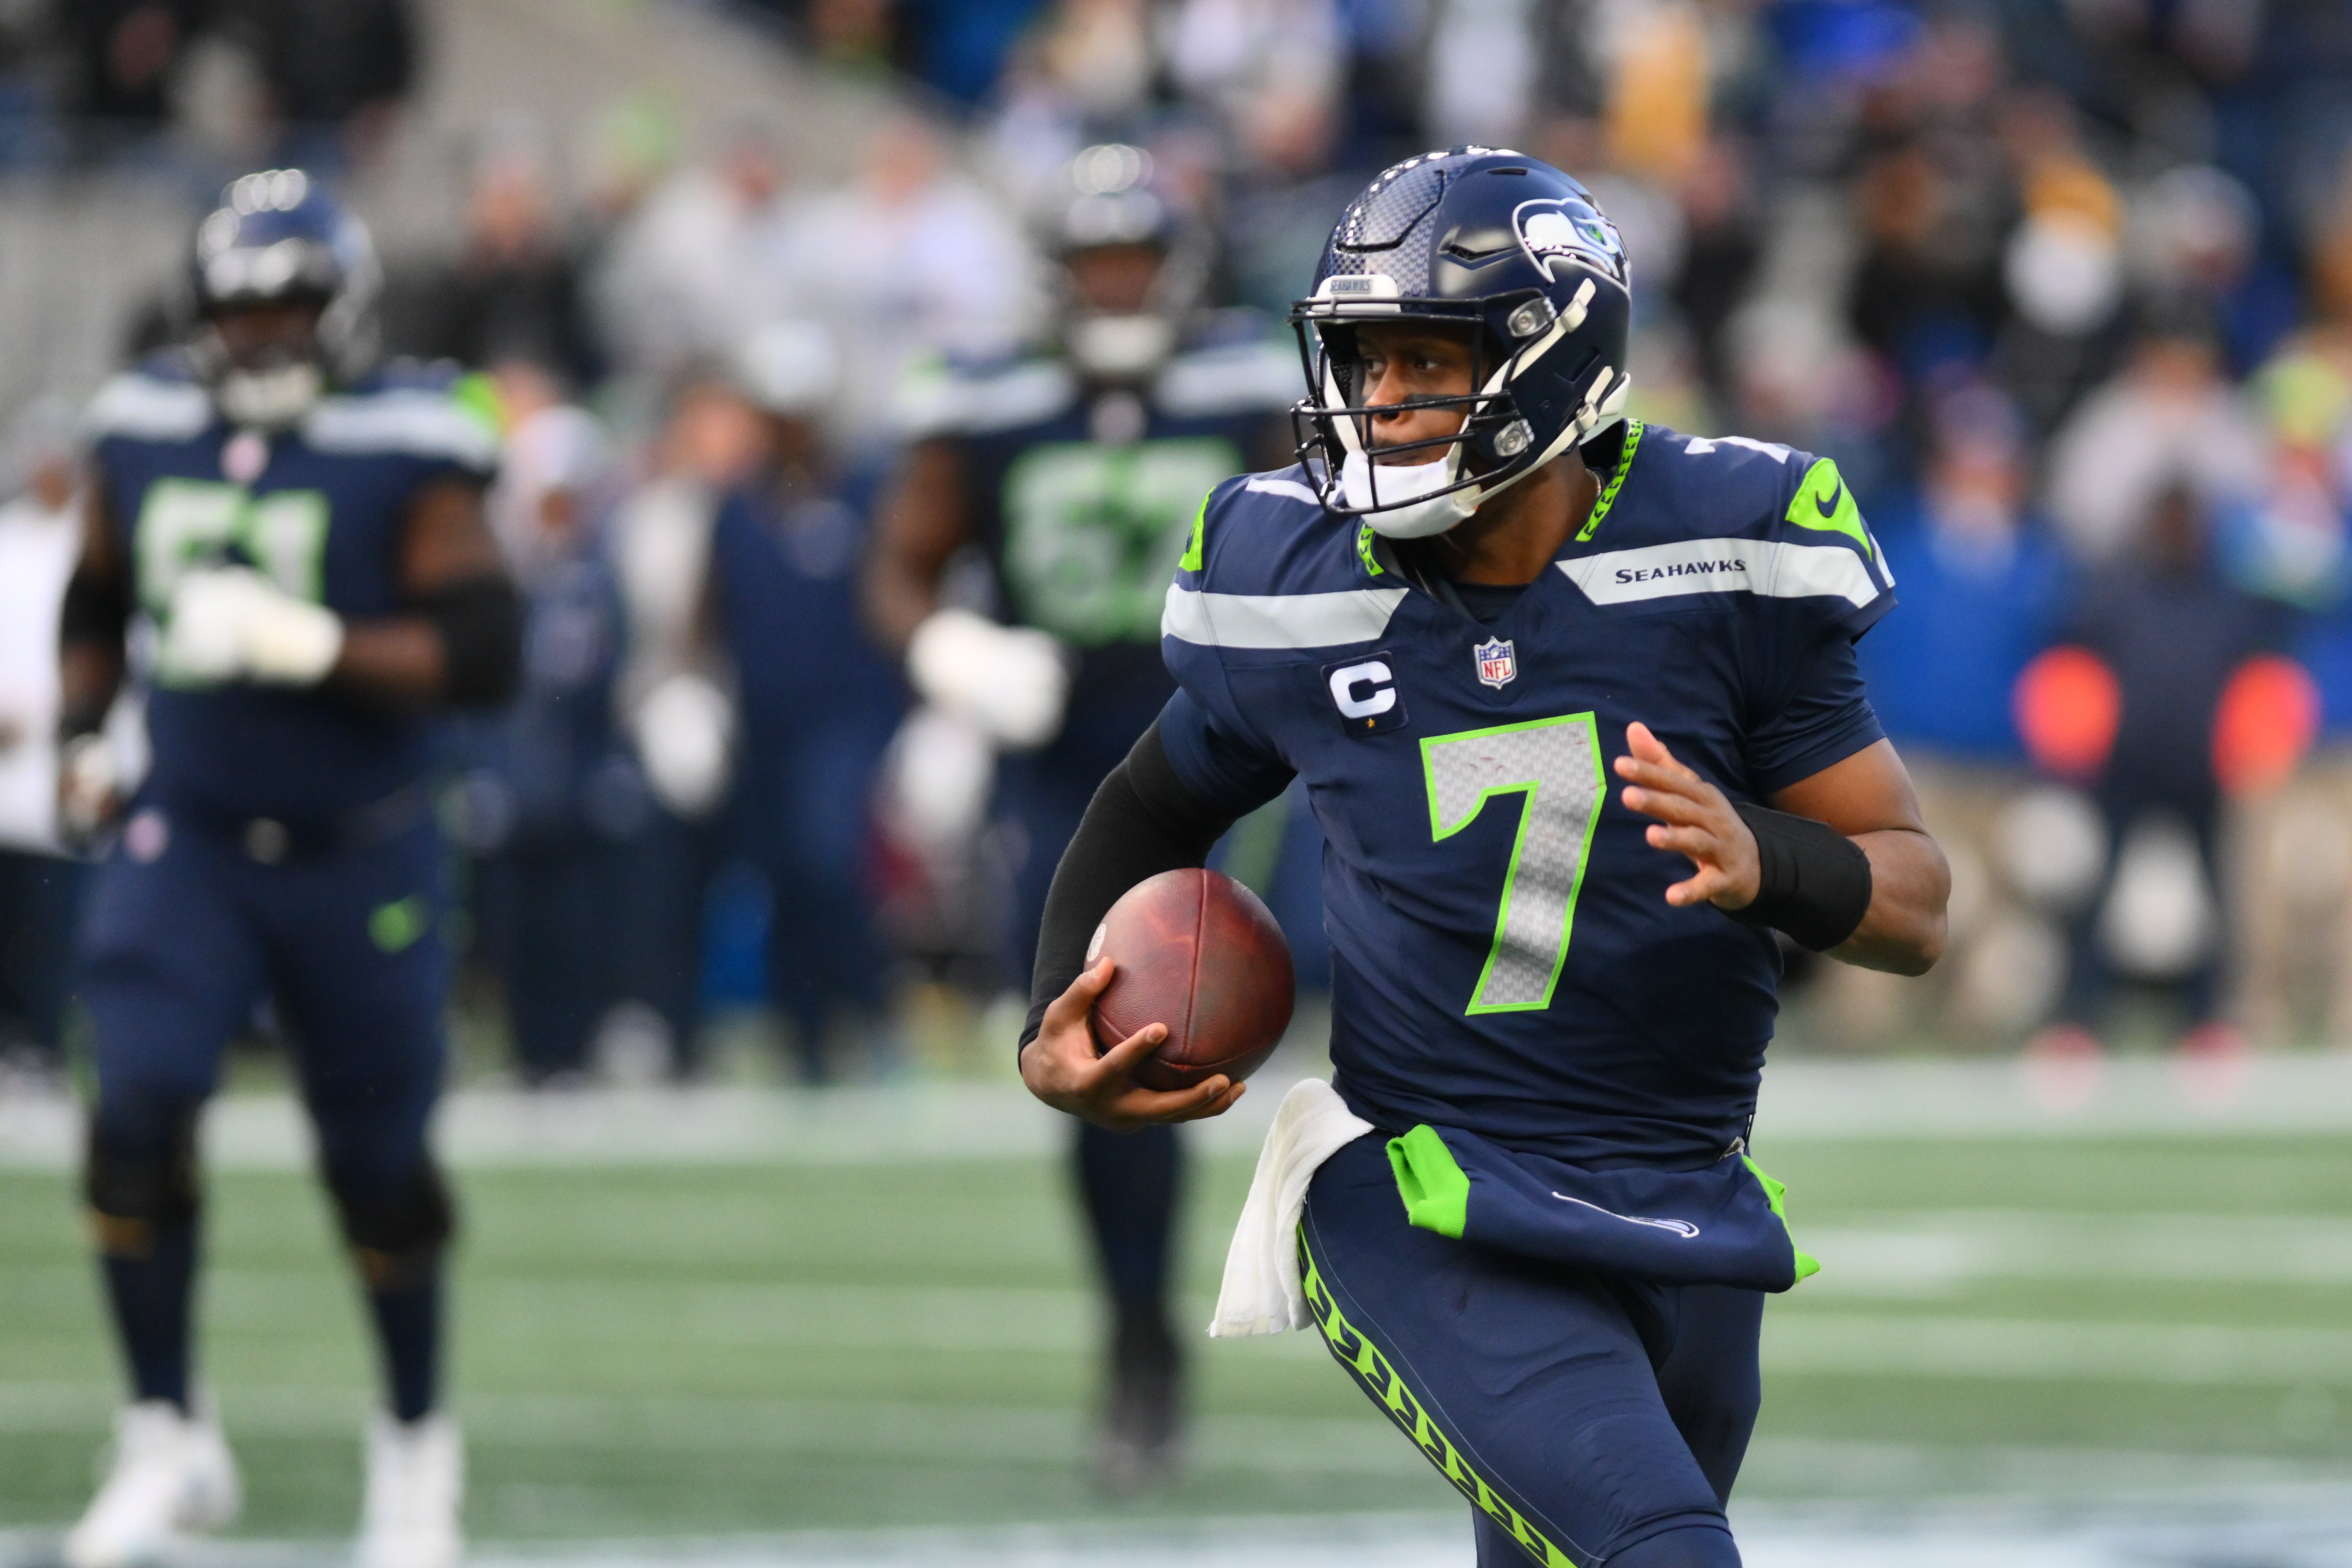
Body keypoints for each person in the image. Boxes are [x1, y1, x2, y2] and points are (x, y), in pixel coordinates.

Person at [1016, 148, 1949, 1566]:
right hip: (1425, 1189)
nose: (1376, 401)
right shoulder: (1296, 575)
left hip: (1684, 1190)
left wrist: (1772, 858)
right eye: (1359, 360)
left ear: (1556, 360)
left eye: (1421, 361)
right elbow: (1152, 805)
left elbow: (1915, 898)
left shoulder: (1726, 549)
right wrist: (1050, 1015)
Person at [57, 169, 519, 1568]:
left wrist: (313, 644)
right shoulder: (140, 421)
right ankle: (163, 1429)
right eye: (242, 307)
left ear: (347, 311)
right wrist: (84, 729)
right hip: (187, 832)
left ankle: (414, 1446)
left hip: (359, 852)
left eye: (292, 305)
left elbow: (485, 653)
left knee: (378, 1169)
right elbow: (96, 595)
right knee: (133, 1099)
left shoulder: (411, 436)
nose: (264, 333)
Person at [865, 142, 1294, 1486]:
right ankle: (1139, 1331)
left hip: (1238, 746)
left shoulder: (1243, 386)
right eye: (1093, 265)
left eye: (1135, 262)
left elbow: (1339, 529)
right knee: (1122, 1037)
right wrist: (949, 656)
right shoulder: (988, 403)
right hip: (1065, 769)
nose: (1116, 288)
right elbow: (902, 563)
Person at [704, 322, 904, 1082]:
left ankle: (869, 1010)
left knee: (830, 860)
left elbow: (891, 600)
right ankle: (806, 1032)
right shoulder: (738, 506)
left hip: (850, 718)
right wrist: (692, 691)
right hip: (764, 725)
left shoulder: (862, 494)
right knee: (782, 873)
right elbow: (711, 607)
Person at [0, 401, 87, 1085]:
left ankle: (44, 1044)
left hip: (62, 749)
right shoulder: (7, 539)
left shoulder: (91, 540)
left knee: (53, 911)